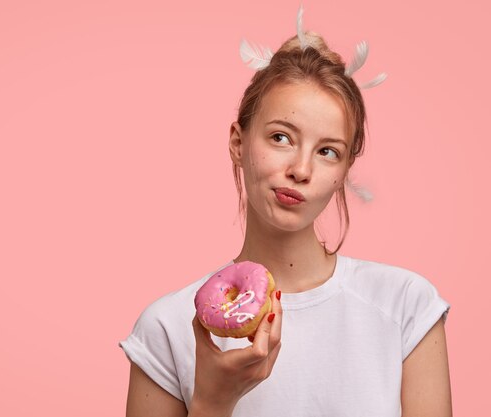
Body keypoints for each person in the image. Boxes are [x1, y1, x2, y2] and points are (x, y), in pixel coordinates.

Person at [120, 9, 452, 417]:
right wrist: (213, 402)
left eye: (327, 151)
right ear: (238, 143)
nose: (301, 169)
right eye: (281, 137)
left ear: (344, 170)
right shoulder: (167, 327)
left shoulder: (405, 307)